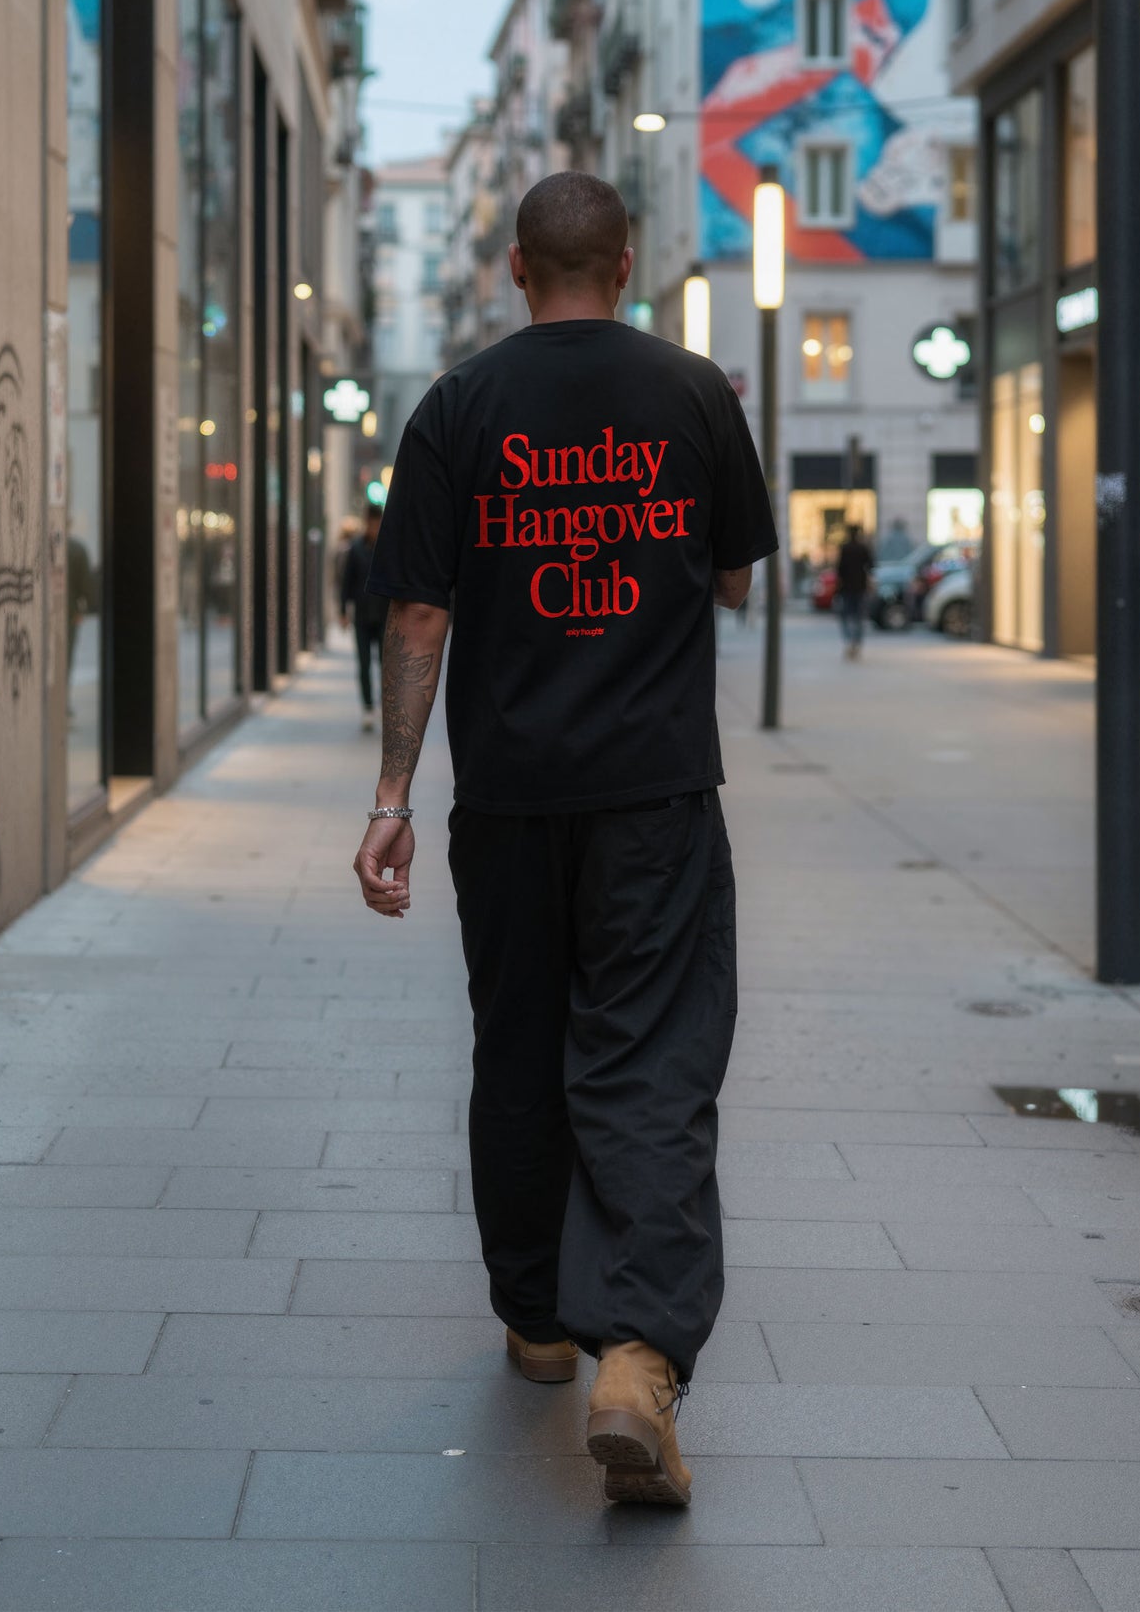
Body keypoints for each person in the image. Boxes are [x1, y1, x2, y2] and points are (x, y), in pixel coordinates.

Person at [352, 171, 777, 1508]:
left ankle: (536, 1317)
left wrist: (389, 799)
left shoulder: (459, 406)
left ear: (521, 269)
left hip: (510, 795)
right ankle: (639, 1354)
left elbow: (417, 619)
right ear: (628, 263)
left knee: (520, 1040)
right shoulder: (696, 392)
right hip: (653, 793)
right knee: (649, 1056)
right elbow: (729, 577)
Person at [339, 503, 389, 733]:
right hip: (361, 616)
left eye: (378, 523)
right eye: (372, 522)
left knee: (386, 666)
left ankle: (385, 707)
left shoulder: (388, 548)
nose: (374, 527)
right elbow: (346, 582)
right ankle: (368, 707)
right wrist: (342, 611)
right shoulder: (356, 549)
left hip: (385, 618)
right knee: (364, 664)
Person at [836, 522, 874, 659]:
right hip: (859, 587)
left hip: (846, 588)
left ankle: (849, 642)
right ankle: (856, 643)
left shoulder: (845, 548)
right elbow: (872, 565)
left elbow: (839, 570)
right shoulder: (863, 548)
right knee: (858, 617)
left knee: (846, 616)